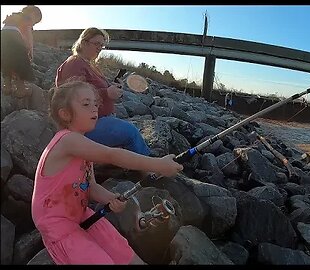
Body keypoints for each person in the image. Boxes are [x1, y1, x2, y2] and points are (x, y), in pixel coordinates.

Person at [32, 80, 183, 264]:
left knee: (123, 252)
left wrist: (110, 198)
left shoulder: (83, 146)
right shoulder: (67, 140)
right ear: (65, 114)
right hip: (56, 223)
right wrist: (158, 165)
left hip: (79, 214)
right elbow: (112, 155)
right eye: (86, 104)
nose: (94, 108)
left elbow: (91, 187)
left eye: (96, 103)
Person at [55, 27, 151, 158]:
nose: (100, 48)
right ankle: (149, 171)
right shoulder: (75, 63)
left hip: (98, 120)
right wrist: (106, 93)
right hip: (84, 127)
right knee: (131, 132)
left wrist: (113, 89)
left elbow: (93, 89)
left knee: (127, 138)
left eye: (102, 45)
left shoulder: (89, 65)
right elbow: (72, 98)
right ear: (83, 42)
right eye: (97, 44)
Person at [1, 5, 42, 101]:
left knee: (7, 61)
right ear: (33, 14)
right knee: (19, 64)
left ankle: (7, 87)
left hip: (3, 37)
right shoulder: (27, 18)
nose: (33, 24)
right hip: (14, 37)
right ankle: (21, 89)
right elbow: (27, 34)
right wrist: (29, 49)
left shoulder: (14, 16)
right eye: (35, 22)